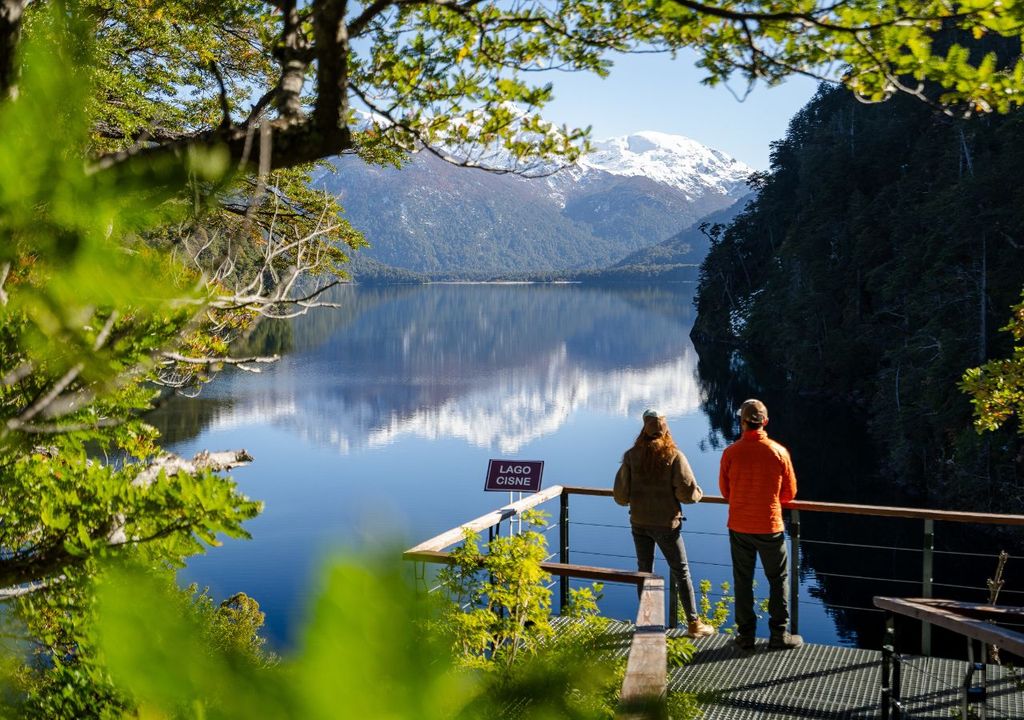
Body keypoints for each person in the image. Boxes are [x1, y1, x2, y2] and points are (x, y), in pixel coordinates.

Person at [614, 409, 715, 638]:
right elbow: (688, 494)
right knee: (681, 572)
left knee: (644, 572)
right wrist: (698, 493)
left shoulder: (631, 456)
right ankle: (693, 623)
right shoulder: (674, 456)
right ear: (665, 429)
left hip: (639, 523)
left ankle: (648, 623)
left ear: (644, 428)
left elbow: (620, 496)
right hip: (667, 525)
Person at [719, 398, 802, 650]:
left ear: (743, 422)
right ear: (764, 422)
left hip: (740, 526)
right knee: (778, 580)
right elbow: (790, 494)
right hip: (770, 525)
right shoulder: (778, 452)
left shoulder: (731, 453)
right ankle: (779, 635)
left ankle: (745, 636)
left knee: (742, 580)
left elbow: (725, 492)